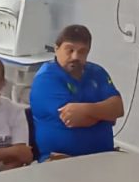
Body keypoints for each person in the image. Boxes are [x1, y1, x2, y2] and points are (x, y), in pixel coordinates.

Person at [28, 24, 125, 161]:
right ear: (56, 49)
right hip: (60, 160)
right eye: (70, 50)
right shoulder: (46, 78)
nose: (75, 56)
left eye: (82, 52)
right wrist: (104, 114)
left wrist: (84, 109)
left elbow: (118, 109)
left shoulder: (97, 72)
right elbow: (74, 119)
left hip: (103, 157)